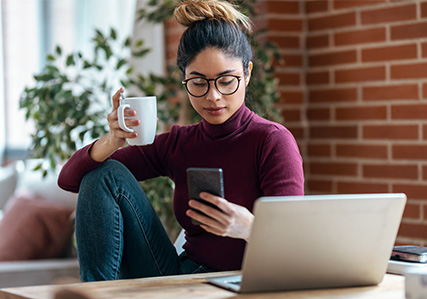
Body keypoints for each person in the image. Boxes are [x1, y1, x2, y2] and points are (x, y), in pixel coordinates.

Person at [58, 0, 304, 282]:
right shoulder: (180, 143)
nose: (213, 96)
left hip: (248, 282)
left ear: (246, 74)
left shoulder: (272, 141)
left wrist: (248, 226)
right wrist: (113, 139)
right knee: (102, 173)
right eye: (199, 83)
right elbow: (71, 180)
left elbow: (292, 242)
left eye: (227, 81)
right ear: (184, 80)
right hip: (182, 277)